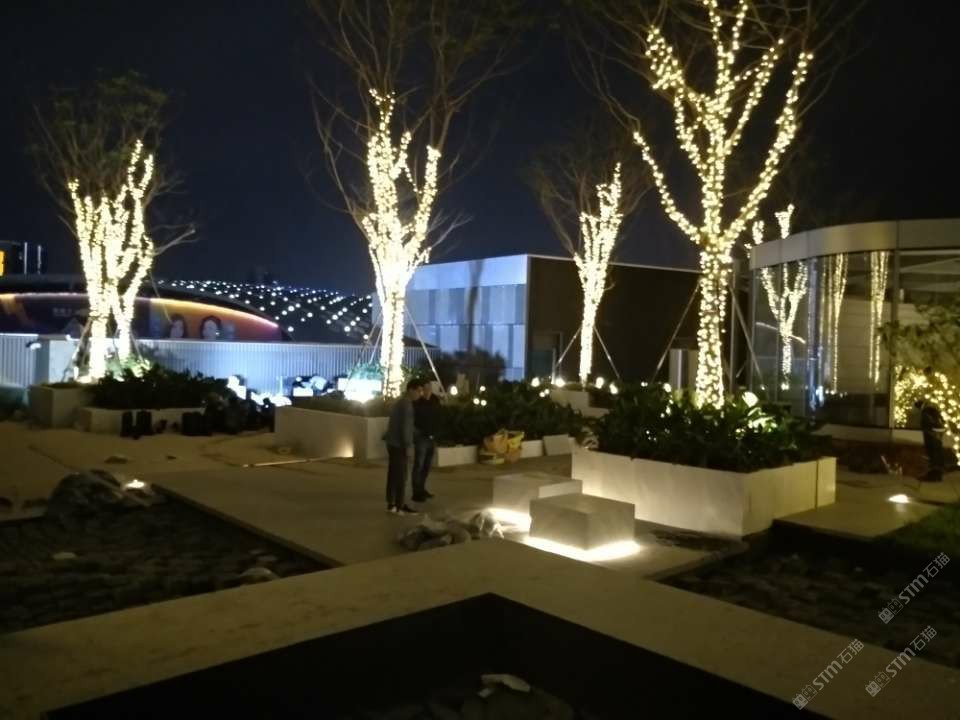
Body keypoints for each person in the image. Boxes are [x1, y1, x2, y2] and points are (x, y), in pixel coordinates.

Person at [383, 379, 422, 515]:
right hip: (399, 445)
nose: (420, 394)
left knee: (393, 475)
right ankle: (400, 505)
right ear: (411, 390)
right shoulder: (406, 405)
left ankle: (392, 503)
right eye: (419, 391)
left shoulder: (400, 402)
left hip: (392, 443)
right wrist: (408, 446)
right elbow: (405, 427)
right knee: (401, 476)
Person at [412, 380, 441, 502]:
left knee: (426, 465)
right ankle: (416, 492)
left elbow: (438, 416)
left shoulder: (435, 400)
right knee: (419, 464)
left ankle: (422, 488)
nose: (428, 391)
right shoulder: (417, 402)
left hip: (432, 437)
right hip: (421, 437)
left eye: (429, 388)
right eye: (425, 389)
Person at [918, 398, 945, 483]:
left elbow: (926, 425)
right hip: (938, 434)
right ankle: (938, 475)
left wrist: (927, 431)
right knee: (937, 453)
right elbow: (942, 422)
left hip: (931, 434)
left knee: (932, 453)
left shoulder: (926, 412)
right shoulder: (934, 411)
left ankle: (933, 475)